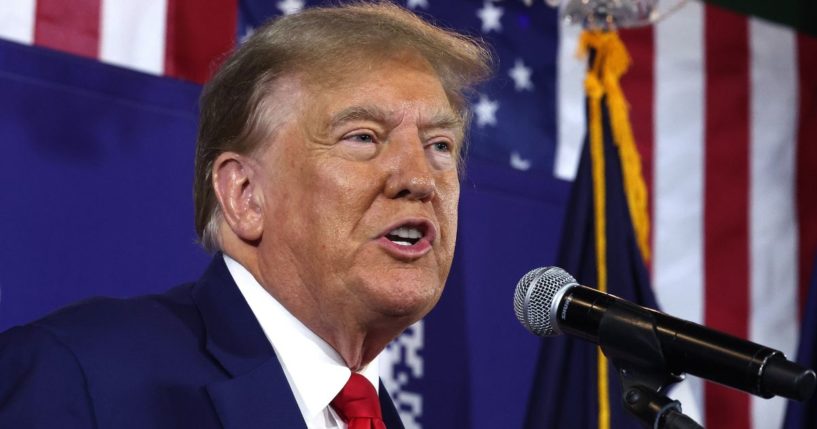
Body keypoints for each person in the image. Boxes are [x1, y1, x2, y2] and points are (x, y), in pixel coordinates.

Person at [0, 2, 492, 428]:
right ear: (245, 194)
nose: (420, 179)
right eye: (363, 137)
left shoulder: (374, 415)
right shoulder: (82, 376)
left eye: (440, 146)